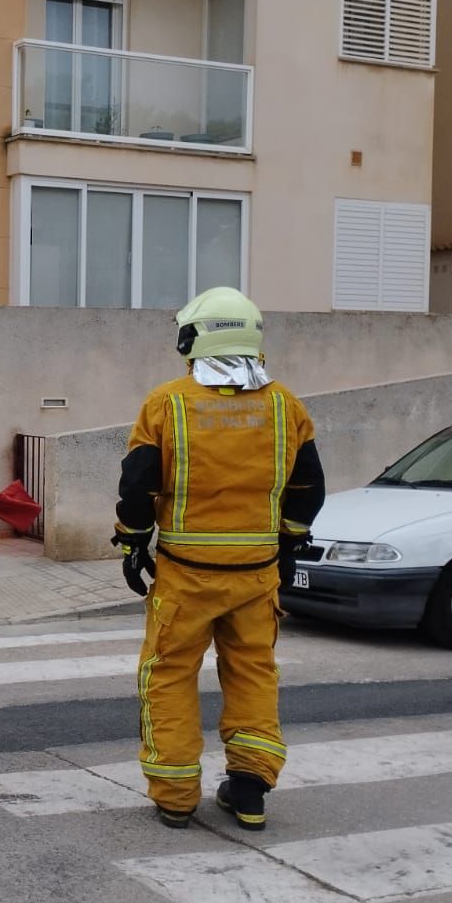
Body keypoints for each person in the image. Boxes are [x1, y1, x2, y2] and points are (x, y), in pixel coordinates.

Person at [112, 287, 324, 832]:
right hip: (255, 576)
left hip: (186, 575)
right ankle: (249, 789)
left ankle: (176, 794)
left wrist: (133, 541)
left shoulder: (168, 402)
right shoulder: (285, 406)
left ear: (194, 340)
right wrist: (286, 543)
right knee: (254, 673)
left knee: (169, 676)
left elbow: (138, 485)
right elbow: (308, 490)